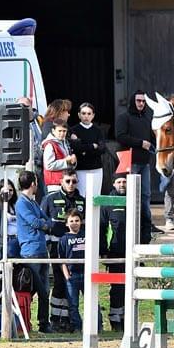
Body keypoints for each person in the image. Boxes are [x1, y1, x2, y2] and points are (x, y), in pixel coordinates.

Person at [41, 169, 86, 331]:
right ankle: (56, 319)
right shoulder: (50, 199)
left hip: (78, 249)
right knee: (60, 282)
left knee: (72, 282)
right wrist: (47, 244)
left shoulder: (82, 201)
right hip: (57, 247)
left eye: (74, 181)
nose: (71, 184)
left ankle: (68, 320)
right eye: (68, 181)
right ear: (61, 182)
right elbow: (43, 223)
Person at [116, 89, 158, 242]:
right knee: (129, 194)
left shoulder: (147, 118)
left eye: (143, 101)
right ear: (133, 101)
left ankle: (147, 224)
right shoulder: (124, 117)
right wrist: (140, 143)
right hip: (129, 161)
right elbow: (120, 136)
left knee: (145, 195)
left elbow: (153, 138)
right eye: (138, 101)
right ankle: (128, 222)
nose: (141, 103)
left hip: (144, 162)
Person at [15, 170, 54, 334]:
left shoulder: (33, 202)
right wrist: (45, 224)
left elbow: (46, 219)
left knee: (45, 290)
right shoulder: (21, 203)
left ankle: (43, 323)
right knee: (35, 289)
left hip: (41, 250)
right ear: (33, 184)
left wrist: (45, 223)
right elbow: (36, 222)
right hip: (31, 251)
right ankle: (28, 321)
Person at [100, 173, 128, 332]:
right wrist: (103, 251)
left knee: (129, 287)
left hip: (132, 251)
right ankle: (115, 319)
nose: (122, 184)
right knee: (117, 287)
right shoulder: (108, 202)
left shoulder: (136, 199)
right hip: (114, 252)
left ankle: (127, 318)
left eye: (124, 181)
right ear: (113, 184)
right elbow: (102, 228)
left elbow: (145, 224)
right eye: (119, 182)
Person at [59, 209, 88, 333]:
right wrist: (67, 275)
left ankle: (96, 327)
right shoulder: (64, 239)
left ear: (81, 222)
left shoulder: (87, 235)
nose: (74, 223)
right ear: (66, 223)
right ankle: (77, 327)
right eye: (71, 221)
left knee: (92, 303)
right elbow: (61, 259)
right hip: (72, 275)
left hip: (87, 275)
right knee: (73, 304)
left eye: (77, 220)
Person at [69, 102, 105, 198]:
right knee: (81, 196)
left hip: (96, 168)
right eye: (83, 113)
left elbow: (102, 149)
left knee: (96, 197)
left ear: (93, 115)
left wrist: (84, 150)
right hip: (80, 169)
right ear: (79, 115)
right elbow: (76, 148)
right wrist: (92, 146)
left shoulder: (98, 131)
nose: (86, 116)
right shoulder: (74, 130)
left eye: (89, 114)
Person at [42, 118, 77, 194]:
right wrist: (66, 161)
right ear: (53, 131)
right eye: (59, 131)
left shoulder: (65, 142)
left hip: (65, 183)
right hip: (54, 184)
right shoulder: (50, 145)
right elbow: (49, 165)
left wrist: (73, 162)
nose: (62, 133)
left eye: (64, 131)